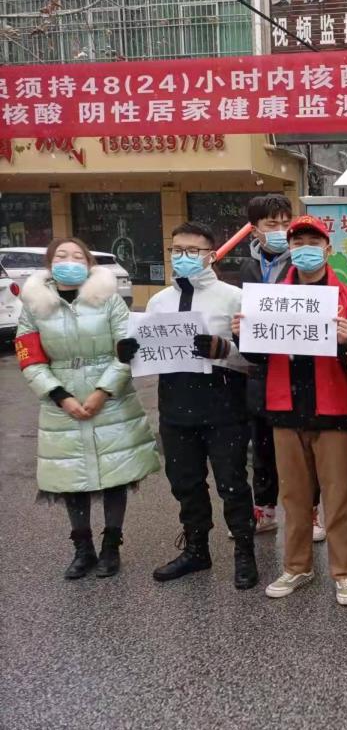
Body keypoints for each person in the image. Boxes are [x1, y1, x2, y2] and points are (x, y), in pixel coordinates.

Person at [122, 222, 258, 590]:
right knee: (185, 483)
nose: (183, 257)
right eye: (177, 250)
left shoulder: (234, 298)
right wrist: (129, 352)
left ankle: (245, 551)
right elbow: (148, 354)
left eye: (192, 251)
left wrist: (224, 350)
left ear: (211, 255)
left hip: (224, 405)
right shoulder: (158, 302)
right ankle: (197, 549)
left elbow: (256, 360)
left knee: (232, 483)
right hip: (176, 405)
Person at [235, 216, 347, 605]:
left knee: (338, 497)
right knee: (294, 496)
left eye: (313, 241)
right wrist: (242, 335)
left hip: (333, 411)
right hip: (285, 409)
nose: (305, 248)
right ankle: (297, 566)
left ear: (328, 248)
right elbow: (258, 357)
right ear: (289, 249)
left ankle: (343, 572)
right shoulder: (270, 298)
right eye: (298, 242)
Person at [16, 238, 160, 579]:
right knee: (71, 476)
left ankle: (111, 546)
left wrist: (103, 391)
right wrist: (59, 395)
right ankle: (83, 549)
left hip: (110, 398)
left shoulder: (109, 299)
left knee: (115, 474)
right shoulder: (34, 304)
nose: (69, 261)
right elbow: (29, 356)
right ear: (50, 264)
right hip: (61, 399)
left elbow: (126, 349)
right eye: (61, 256)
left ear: (89, 264)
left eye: (78, 256)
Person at [238, 194, 328, 539]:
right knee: (262, 445)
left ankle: (312, 511)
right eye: (270, 224)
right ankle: (264, 509)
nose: (279, 230)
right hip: (259, 371)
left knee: (304, 448)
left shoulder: (302, 264)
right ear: (255, 230)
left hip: (299, 371)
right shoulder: (247, 268)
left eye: (284, 223)